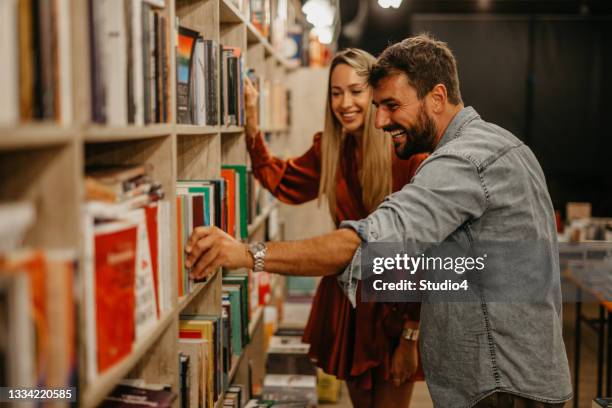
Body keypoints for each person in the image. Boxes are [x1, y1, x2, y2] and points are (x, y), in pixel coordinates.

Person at [185, 34, 573, 407]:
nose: (378, 120)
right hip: (518, 368)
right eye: (342, 95)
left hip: (496, 379)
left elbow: (368, 244)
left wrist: (246, 254)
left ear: (437, 97)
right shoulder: (504, 144)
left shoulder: (456, 163)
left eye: (389, 105)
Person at [241, 48, 427, 407]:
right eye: (336, 92)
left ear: (374, 93)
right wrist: (252, 126)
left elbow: (424, 248)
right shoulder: (330, 148)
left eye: (356, 91)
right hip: (349, 301)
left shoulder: (405, 151)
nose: (345, 103)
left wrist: (410, 333)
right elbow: (284, 180)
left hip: (396, 305)